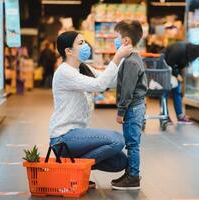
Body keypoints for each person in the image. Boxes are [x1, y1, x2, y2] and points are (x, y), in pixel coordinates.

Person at [49, 31, 133, 188]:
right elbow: (99, 85)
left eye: (85, 42)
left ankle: (74, 167)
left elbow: (111, 81)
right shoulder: (64, 72)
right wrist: (117, 57)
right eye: (80, 44)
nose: (86, 46)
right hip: (63, 139)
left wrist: (120, 56)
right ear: (68, 51)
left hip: (78, 136)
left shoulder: (83, 67)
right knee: (117, 140)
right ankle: (75, 172)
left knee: (120, 162)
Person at [111, 20, 147, 190]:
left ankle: (133, 177)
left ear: (125, 41)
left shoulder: (131, 62)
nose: (115, 41)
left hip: (132, 107)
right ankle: (130, 172)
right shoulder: (133, 58)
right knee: (131, 142)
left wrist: (121, 111)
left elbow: (127, 90)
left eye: (117, 37)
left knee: (132, 144)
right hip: (135, 106)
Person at [162, 42, 199, 124]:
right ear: (195, 54)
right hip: (163, 68)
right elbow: (169, 62)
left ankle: (180, 116)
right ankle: (164, 116)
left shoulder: (194, 52)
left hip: (174, 70)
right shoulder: (179, 49)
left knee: (177, 91)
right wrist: (177, 75)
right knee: (164, 93)